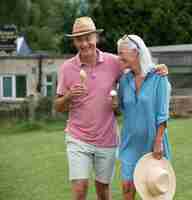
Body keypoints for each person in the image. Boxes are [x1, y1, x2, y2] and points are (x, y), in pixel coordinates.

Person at [54, 17, 167, 200]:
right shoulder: (67, 69)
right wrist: (68, 96)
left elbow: (138, 67)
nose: (84, 43)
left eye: (87, 37)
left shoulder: (114, 62)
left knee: (103, 191)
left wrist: (158, 69)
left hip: (106, 139)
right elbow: (58, 107)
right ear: (74, 41)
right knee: (80, 189)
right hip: (77, 137)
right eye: (79, 39)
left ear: (96, 37)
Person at [117, 34, 172, 200]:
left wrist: (158, 141)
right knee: (127, 188)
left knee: (153, 193)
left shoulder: (158, 77)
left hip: (152, 143)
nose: (119, 58)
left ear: (136, 52)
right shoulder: (124, 81)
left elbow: (163, 114)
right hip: (130, 144)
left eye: (122, 53)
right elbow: (120, 109)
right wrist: (113, 104)